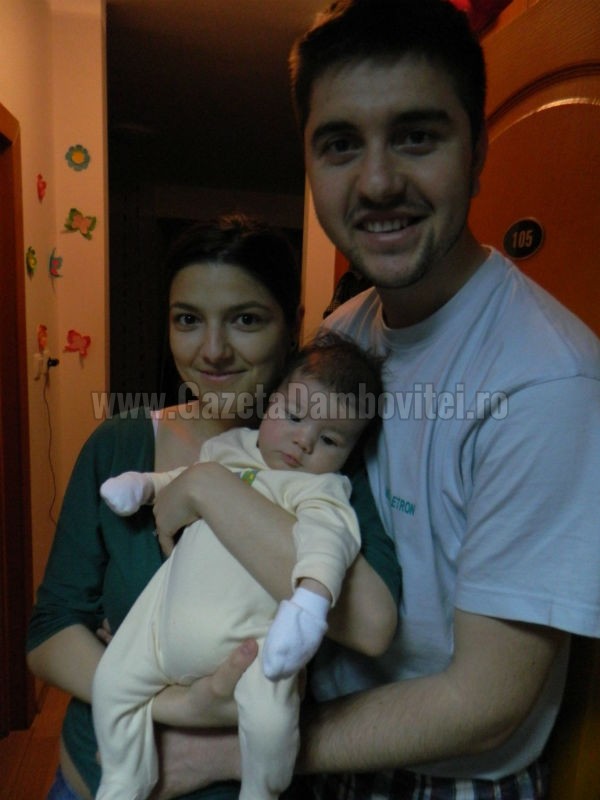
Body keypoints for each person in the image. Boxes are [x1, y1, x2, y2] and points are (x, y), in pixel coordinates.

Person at [152, 2, 600, 797]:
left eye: (417, 136)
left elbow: (487, 703)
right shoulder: (344, 331)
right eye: (340, 144)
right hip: (307, 729)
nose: (379, 181)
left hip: (439, 776)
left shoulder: (546, 379)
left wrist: (234, 753)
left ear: (478, 151)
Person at [26, 214, 400, 800]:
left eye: (246, 319)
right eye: (188, 320)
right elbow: (51, 632)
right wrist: (182, 705)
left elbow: (372, 625)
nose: (213, 351)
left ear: (292, 324)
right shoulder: (121, 446)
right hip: (94, 777)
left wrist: (208, 486)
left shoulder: (324, 456)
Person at [92, 333, 387, 800]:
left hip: (252, 648)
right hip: (162, 628)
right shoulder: (229, 447)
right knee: (111, 683)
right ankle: (125, 777)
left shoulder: (320, 490)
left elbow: (329, 544)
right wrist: (146, 486)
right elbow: (184, 481)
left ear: (349, 453)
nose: (304, 441)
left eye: (330, 439)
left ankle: (260, 790)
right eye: (294, 416)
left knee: (272, 721)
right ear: (271, 403)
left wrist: (310, 602)